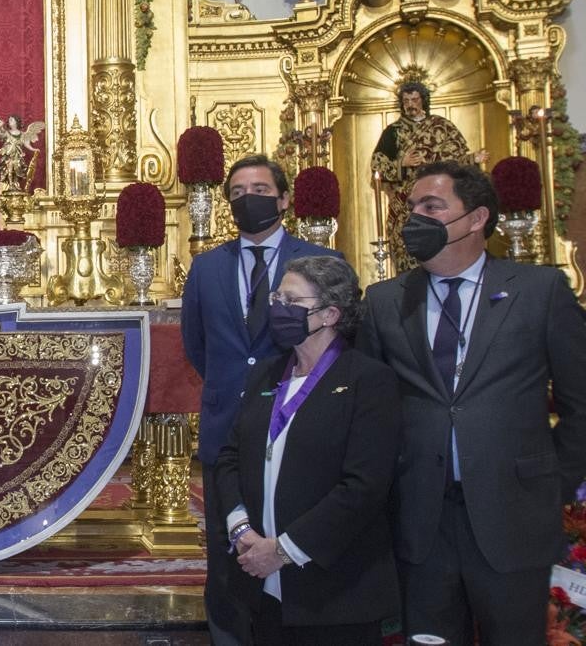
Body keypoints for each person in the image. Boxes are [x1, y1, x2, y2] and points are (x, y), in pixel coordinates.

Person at [358, 161, 586, 644]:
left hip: (514, 515)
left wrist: (553, 484)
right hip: (421, 520)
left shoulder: (539, 291)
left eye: (431, 206)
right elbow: (368, 413)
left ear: (477, 217)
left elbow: (580, 402)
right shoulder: (383, 301)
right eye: (411, 207)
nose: (414, 217)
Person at [180, 154, 339, 645]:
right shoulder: (206, 267)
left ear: (284, 199)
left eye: (261, 190)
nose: (249, 200)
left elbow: (339, 341)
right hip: (226, 430)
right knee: (226, 562)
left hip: (296, 429)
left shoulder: (319, 262)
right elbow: (196, 345)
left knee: (287, 546)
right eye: (239, 192)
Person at [216, 255, 401, 644]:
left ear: (330, 314)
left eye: (292, 301)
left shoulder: (368, 381)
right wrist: (241, 529)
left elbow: (363, 488)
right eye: (276, 297)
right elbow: (231, 456)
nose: (277, 309)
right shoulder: (266, 373)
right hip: (263, 585)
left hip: (333, 594)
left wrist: (282, 550)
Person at [370, 81, 486, 271]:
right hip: (406, 204)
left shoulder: (441, 126)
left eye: (414, 99)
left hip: (441, 200)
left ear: (423, 101)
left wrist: (473, 158)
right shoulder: (393, 132)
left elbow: (456, 160)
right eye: (406, 100)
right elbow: (377, 167)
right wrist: (402, 164)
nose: (410, 104)